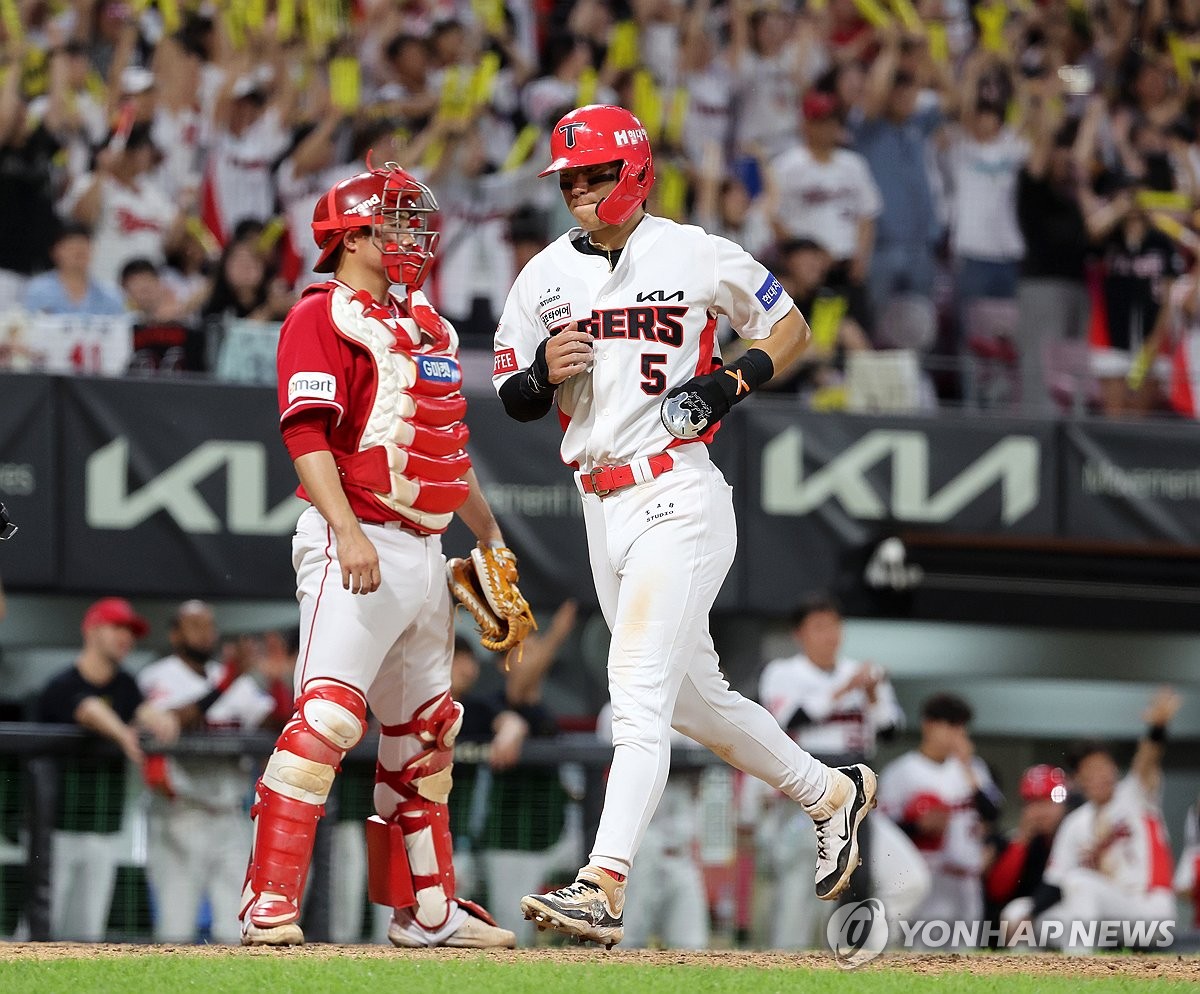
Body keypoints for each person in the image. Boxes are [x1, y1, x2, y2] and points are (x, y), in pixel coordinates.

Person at [492, 103, 877, 949]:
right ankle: (829, 793)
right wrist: (536, 377)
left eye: (594, 173)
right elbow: (509, 391)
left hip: (679, 492)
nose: (580, 190)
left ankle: (603, 883)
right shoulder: (541, 276)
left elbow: (792, 327)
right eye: (570, 178)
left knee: (632, 687)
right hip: (599, 500)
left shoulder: (696, 251)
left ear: (631, 171)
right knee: (697, 704)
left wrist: (732, 382)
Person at [239, 156, 519, 950]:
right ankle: (269, 904)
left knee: (427, 736)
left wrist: (492, 537)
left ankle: (427, 913)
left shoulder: (423, 321)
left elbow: (440, 452)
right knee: (326, 718)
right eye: (393, 221)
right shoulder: (320, 314)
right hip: (354, 539)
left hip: (425, 549)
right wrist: (348, 530)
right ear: (353, 235)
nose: (410, 235)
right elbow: (305, 433)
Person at [754, 594, 926, 947]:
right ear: (799, 634)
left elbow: (891, 730)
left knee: (909, 880)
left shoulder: (861, 673)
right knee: (799, 900)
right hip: (807, 801)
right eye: (819, 627)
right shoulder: (783, 673)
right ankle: (781, 976)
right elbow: (789, 720)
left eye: (834, 625)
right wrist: (844, 690)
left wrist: (874, 695)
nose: (829, 635)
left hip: (860, 801)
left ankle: (860, 956)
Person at [32, 597, 179, 941]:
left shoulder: (126, 685)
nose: (126, 637)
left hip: (105, 827)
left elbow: (145, 710)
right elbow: (87, 708)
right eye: (117, 628)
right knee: (41, 925)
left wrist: (164, 718)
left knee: (88, 932)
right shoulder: (62, 683)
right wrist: (122, 734)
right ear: (93, 630)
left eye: (130, 631)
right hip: (55, 829)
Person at [137, 600, 276, 943]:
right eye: (194, 625)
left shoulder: (229, 677)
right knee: (175, 929)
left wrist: (276, 680)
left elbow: (274, 722)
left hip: (229, 815)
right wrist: (228, 681)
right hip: (180, 813)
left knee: (235, 930)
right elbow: (174, 722)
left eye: (209, 625)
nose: (205, 632)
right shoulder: (158, 674)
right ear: (175, 633)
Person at [1034, 690, 1180, 952]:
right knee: (1023, 915)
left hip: (1149, 909)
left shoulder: (1135, 795)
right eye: (1091, 771)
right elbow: (1055, 881)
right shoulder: (1075, 823)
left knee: (1081, 883)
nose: (1100, 775)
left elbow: (1147, 761)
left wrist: (1157, 728)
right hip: (1102, 915)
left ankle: (1081, 974)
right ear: (1078, 780)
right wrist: (1026, 914)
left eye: (1104, 766)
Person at [877, 692, 1003, 935]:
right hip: (927, 876)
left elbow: (994, 812)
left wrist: (967, 768)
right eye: (950, 725)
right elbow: (886, 831)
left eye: (961, 727)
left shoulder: (973, 768)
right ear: (928, 725)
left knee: (968, 960)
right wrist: (917, 827)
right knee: (922, 956)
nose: (957, 734)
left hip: (968, 880)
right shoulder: (901, 772)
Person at [987, 764, 1069, 933]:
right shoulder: (1018, 841)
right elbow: (997, 892)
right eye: (1033, 803)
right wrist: (1022, 841)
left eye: (1048, 802)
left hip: (1072, 912)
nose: (1040, 811)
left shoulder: (1077, 830)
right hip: (1033, 917)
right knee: (1014, 915)